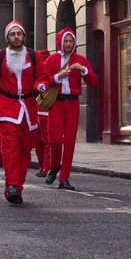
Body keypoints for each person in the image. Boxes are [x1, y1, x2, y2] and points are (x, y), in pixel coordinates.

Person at [0, 20, 48, 204]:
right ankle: (11, 185)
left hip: (28, 107)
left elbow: (42, 77)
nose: (16, 37)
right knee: (9, 147)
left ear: (24, 36)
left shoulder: (34, 56)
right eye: (13, 34)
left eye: (19, 34)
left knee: (25, 150)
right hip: (6, 106)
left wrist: (41, 84)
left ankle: (17, 187)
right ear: (7, 38)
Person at [45, 28, 97, 190]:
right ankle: (54, 166)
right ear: (60, 42)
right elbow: (43, 81)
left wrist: (84, 70)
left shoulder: (80, 60)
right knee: (53, 140)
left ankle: (64, 177)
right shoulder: (52, 60)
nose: (68, 44)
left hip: (72, 104)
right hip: (56, 103)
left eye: (71, 41)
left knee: (69, 142)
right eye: (65, 41)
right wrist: (58, 77)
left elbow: (93, 82)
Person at [33, 49, 52, 177]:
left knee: (40, 141)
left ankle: (44, 167)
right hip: (45, 109)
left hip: (40, 108)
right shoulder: (49, 67)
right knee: (45, 140)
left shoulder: (39, 68)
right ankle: (46, 167)